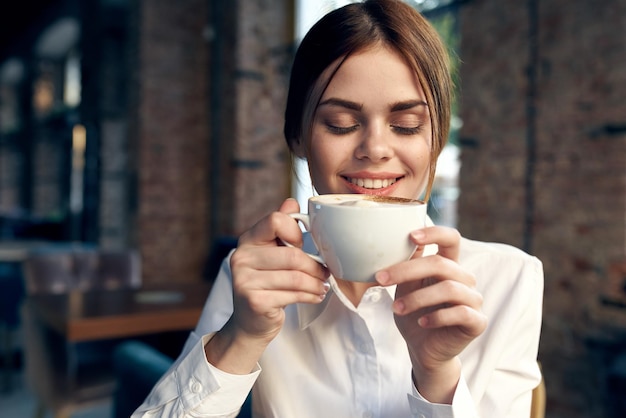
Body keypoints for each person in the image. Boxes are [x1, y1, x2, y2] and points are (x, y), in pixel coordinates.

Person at [133, 0, 543, 417]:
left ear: (434, 140)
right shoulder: (254, 279)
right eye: (341, 124)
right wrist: (240, 337)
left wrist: (436, 374)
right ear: (298, 138)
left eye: (406, 126)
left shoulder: (508, 281)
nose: (376, 150)